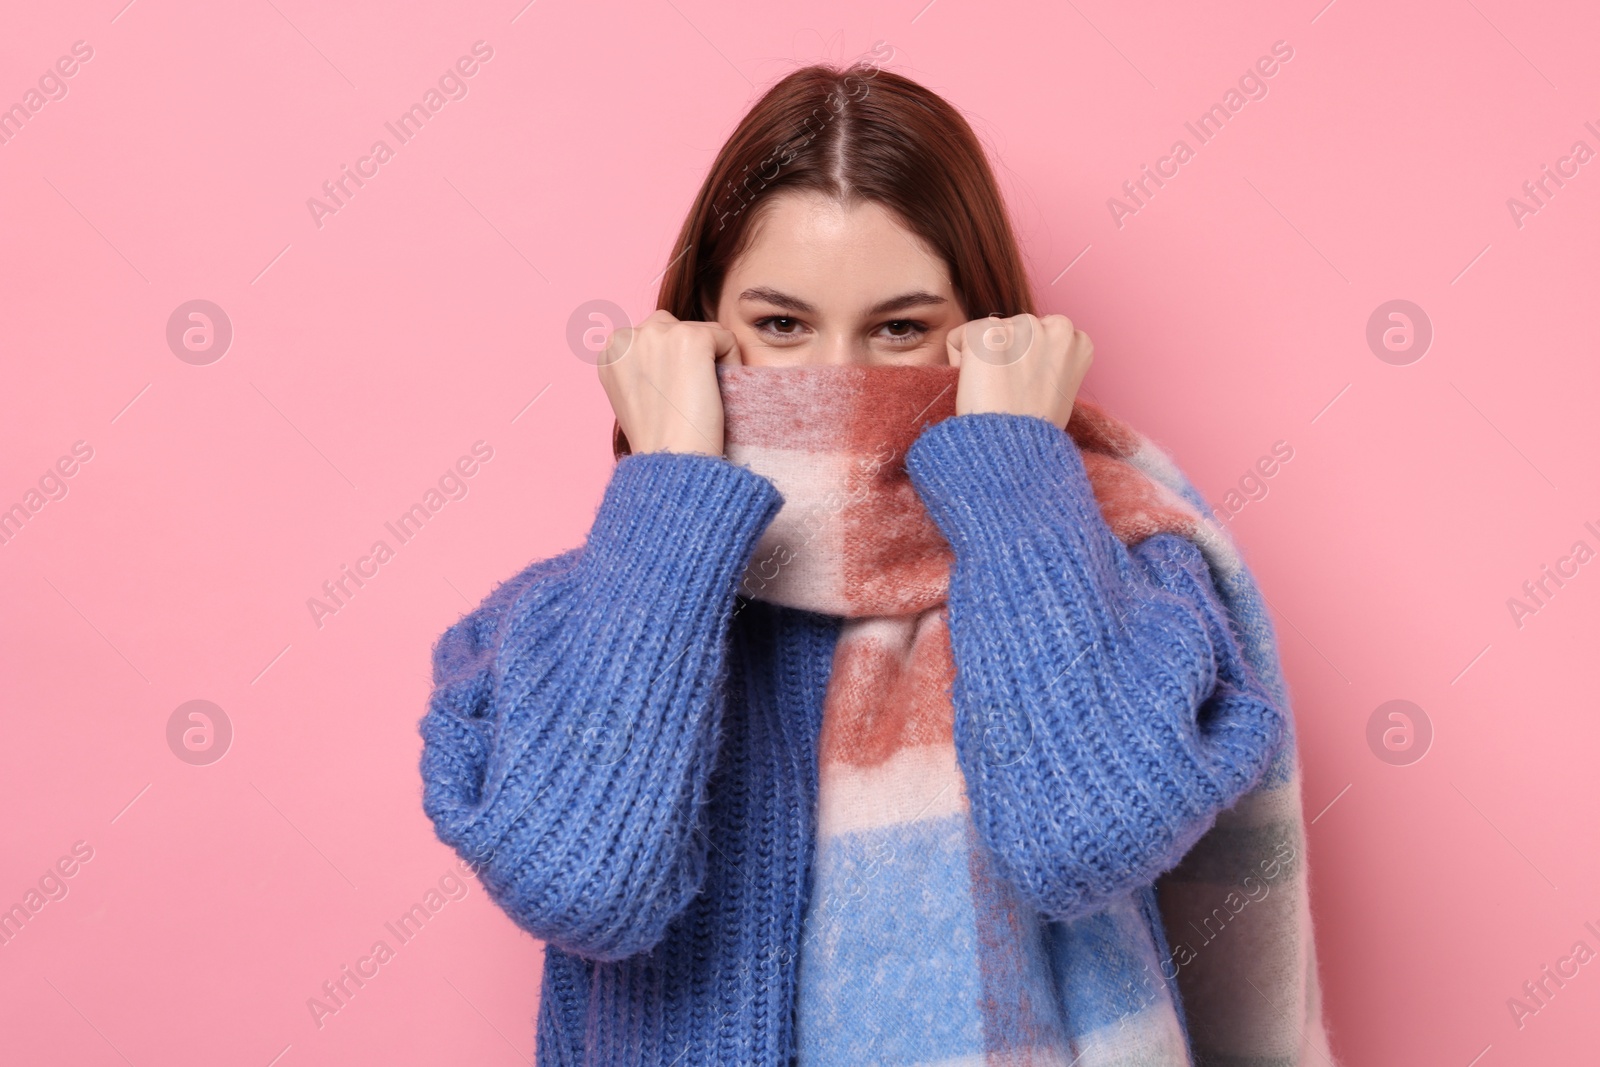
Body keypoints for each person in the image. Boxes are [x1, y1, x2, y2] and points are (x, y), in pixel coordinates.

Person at [418, 60, 1331, 1066]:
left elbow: (1085, 836)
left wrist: (1015, 478)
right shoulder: (567, 618)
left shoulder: (1131, 579)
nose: (836, 376)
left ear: (987, 337)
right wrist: (670, 489)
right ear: (691, 337)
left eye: (900, 328)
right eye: (779, 325)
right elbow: (584, 881)